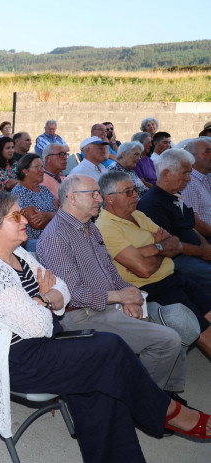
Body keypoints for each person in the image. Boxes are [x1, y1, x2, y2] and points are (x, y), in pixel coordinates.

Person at [0, 192, 211, 463]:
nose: (25, 221)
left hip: (48, 344)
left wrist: (46, 299)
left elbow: (63, 289)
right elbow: (36, 325)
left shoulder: (18, 253)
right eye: (16, 216)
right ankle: (169, 413)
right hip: (18, 362)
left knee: (102, 384)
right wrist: (47, 298)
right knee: (109, 348)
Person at [37, 175, 193, 402]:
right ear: (72, 198)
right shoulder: (56, 238)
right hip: (80, 316)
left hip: (105, 306)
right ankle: (145, 403)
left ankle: (163, 393)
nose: (100, 199)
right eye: (93, 194)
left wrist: (129, 296)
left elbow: (110, 272)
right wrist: (119, 297)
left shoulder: (88, 227)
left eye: (98, 193)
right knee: (166, 340)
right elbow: (72, 295)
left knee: (174, 329)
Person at [96, 170, 211, 357]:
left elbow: (173, 241)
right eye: (128, 192)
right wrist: (161, 248)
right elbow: (144, 270)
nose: (136, 195)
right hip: (154, 289)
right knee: (203, 331)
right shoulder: (106, 227)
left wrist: (150, 250)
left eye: (134, 190)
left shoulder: (137, 214)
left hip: (174, 277)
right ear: (109, 198)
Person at [138, 148, 211, 290]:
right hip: (176, 260)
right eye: (185, 173)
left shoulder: (174, 195)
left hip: (192, 253)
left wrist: (205, 247)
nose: (189, 178)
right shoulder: (152, 204)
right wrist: (203, 252)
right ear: (166, 174)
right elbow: (168, 246)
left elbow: (189, 227)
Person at [11, 154, 57, 250]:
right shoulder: (20, 192)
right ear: (25, 171)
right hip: (34, 241)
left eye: (42, 167)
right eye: (37, 167)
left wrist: (48, 215)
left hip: (54, 235)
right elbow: (37, 224)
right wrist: (57, 217)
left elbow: (61, 212)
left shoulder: (44, 189)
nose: (42, 170)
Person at [182, 137, 211, 228]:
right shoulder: (188, 183)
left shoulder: (206, 177)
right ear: (191, 158)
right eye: (207, 152)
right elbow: (194, 223)